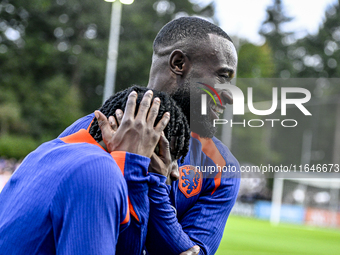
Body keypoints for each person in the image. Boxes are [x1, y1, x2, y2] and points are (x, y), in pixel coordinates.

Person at [59, 17, 240, 254]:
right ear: (178, 63)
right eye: (222, 77)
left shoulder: (221, 168)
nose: (230, 96)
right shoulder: (87, 135)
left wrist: (155, 186)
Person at [0, 87, 191, 254]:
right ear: (142, 142)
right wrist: (134, 165)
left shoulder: (46, 151)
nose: (174, 172)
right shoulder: (97, 171)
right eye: (168, 155)